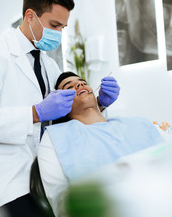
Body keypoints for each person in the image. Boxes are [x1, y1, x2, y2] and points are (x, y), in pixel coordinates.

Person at [0, 0, 120, 217]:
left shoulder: (49, 65)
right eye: (54, 25)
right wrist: (35, 113)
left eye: (63, 27)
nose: (59, 33)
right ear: (30, 16)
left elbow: (63, 116)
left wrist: (99, 104)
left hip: (48, 171)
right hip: (6, 181)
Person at [37, 72, 165, 216]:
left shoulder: (139, 123)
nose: (80, 84)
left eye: (83, 82)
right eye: (69, 87)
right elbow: (61, 201)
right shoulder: (56, 137)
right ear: (59, 105)